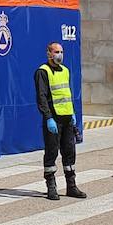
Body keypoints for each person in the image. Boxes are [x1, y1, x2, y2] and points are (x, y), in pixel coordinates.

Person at [36, 41, 85, 201]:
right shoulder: (43, 72)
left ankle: (71, 186)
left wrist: (72, 113)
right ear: (49, 54)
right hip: (54, 119)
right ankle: (51, 186)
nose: (60, 55)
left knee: (69, 152)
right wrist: (48, 118)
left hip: (67, 118)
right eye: (56, 52)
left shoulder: (65, 70)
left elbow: (67, 94)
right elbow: (41, 97)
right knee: (51, 152)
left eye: (61, 52)